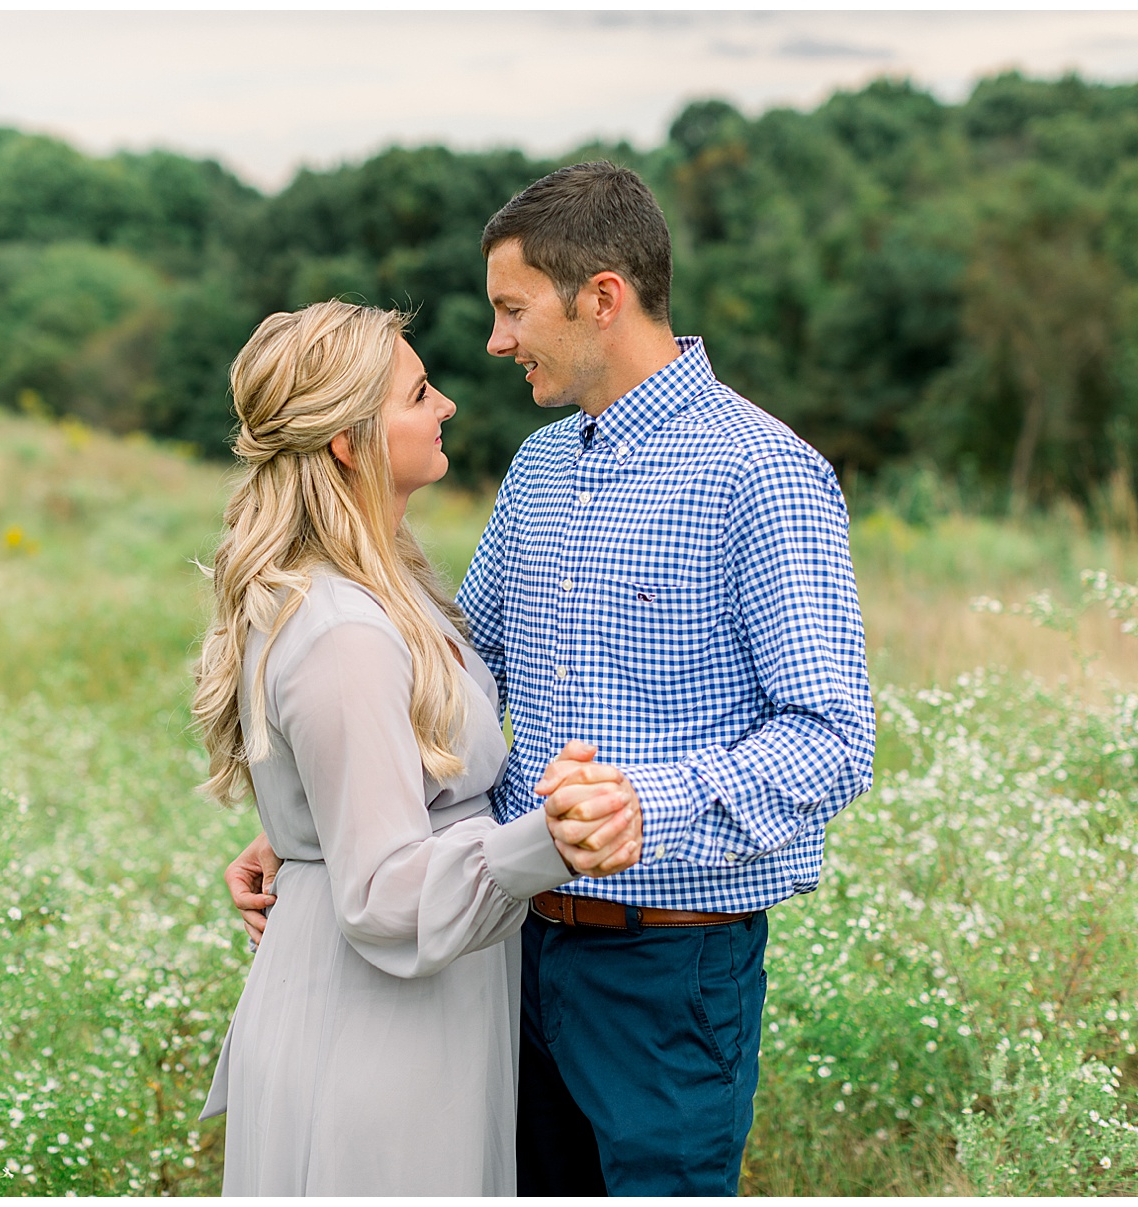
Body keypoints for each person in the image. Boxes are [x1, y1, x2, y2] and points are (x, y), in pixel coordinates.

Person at [228, 163, 877, 1195]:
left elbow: (833, 737)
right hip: (512, 953)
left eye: (512, 308)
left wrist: (639, 804)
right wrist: (322, 814)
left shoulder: (762, 473)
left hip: (666, 973)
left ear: (603, 298)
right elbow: (444, 669)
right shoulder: (540, 468)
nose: (495, 341)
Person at [192, 299, 643, 1196]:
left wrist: (297, 831)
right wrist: (548, 841)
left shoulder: (377, 588)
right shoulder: (346, 629)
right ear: (350, 444)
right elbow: (381, 897)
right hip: (378, 1038)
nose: (445, 407)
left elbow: (368, 793)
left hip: (412, 1013)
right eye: (418, 393)